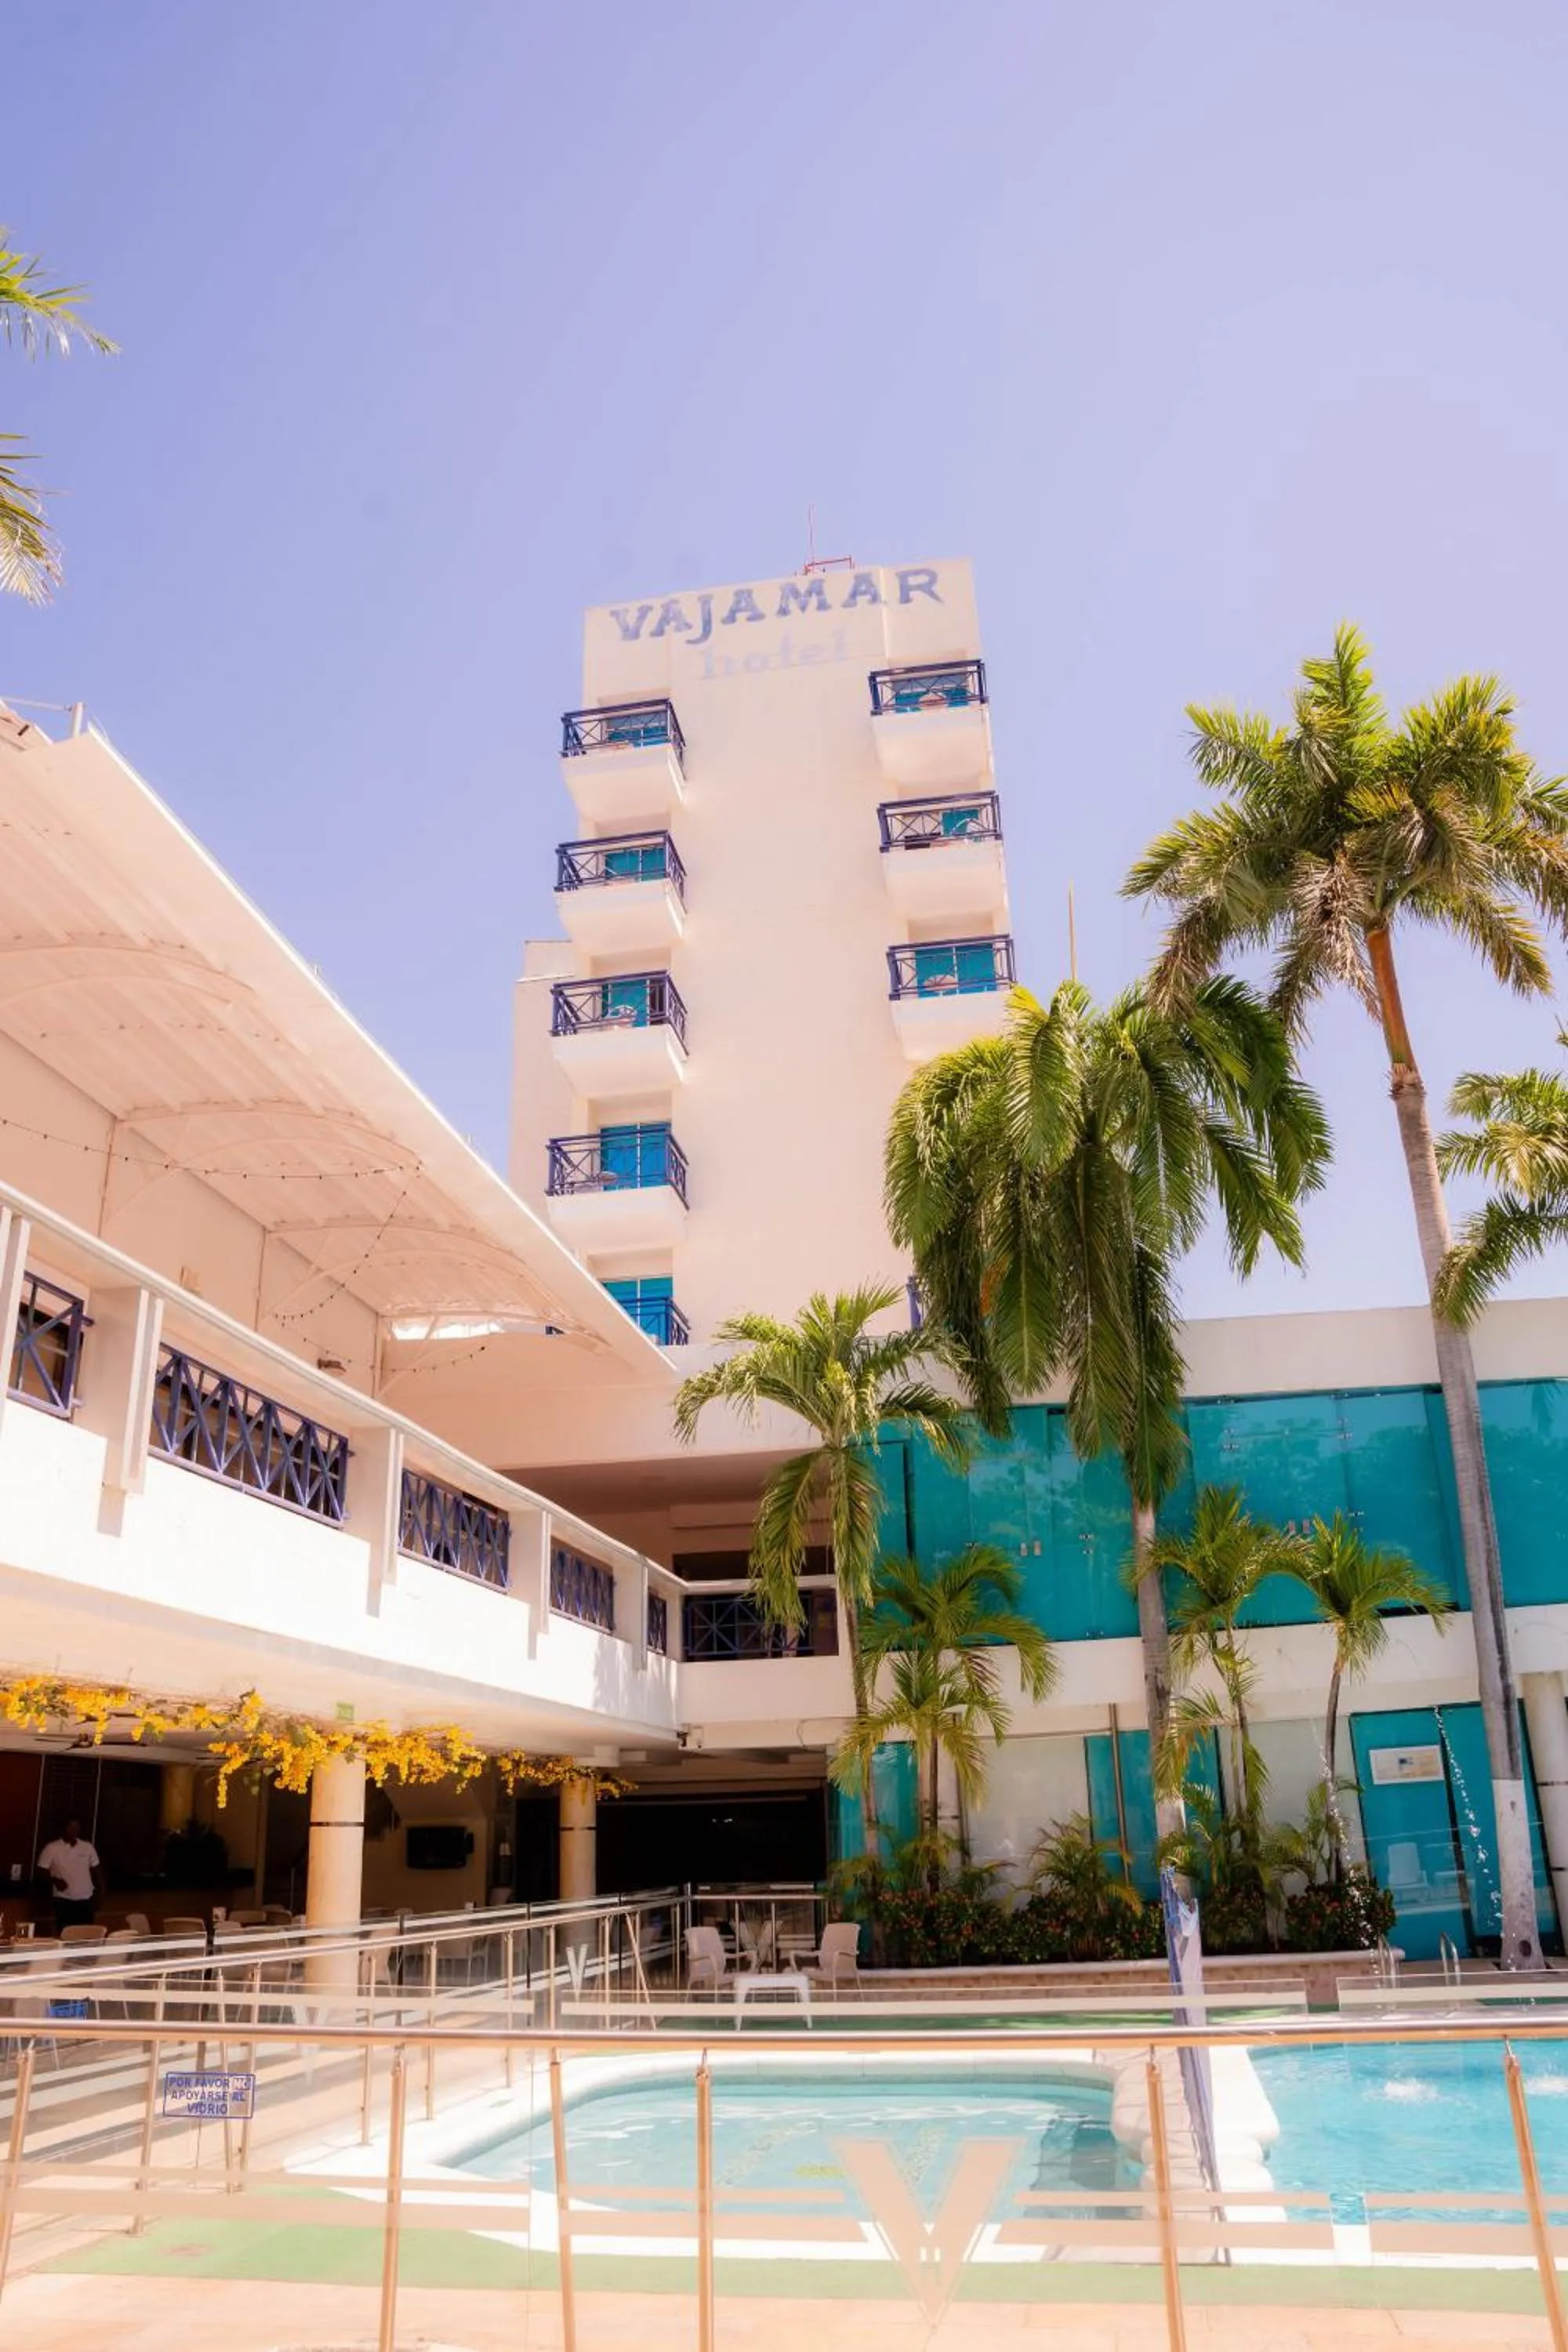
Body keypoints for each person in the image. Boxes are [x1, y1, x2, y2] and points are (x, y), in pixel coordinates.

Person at [38, 1819, 102, 1930]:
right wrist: (55, 1880)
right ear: (64, 1828)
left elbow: (97, 1870)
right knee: (65, 1933)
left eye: (76, 1828)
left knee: (87, 1934)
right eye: (71, 1828)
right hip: (63, 1900)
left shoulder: (87, 1847)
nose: (74, 1831)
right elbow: (41, 1870)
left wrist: (101, 1892)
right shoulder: (52, 1848)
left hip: (86, 1900)